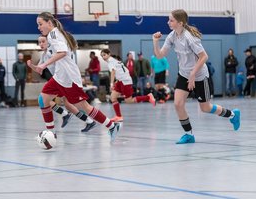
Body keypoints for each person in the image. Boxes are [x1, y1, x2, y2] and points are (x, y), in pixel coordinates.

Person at [152, 9, 240, 144]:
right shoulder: (172, 36)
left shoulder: (189, 37)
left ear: (180, 23)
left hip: (199, 76)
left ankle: (232, 115)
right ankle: (188, 134)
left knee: (205, 108)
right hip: (183, 74)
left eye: (171, 20)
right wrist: (155, 41)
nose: (168, 22)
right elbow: (159, 55)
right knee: (178, 104)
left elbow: (204, 56)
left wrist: (193, 74)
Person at [34, 12, 121, 141]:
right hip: (59, 77)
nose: (39, 27)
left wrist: (44, 64)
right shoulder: (55, 34)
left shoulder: (53, 34)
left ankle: (111, 125)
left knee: (84, 107)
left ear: (49, 23)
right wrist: (40, 66)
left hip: (69, 78)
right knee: (43, 99)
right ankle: (50, 133)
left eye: (40, 24)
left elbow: (62, 53)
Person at [28, 35, 96, 132]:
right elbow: (39, 70)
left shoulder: (55, 50)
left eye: (43, 41)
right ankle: (87, 121)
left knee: (47, 100)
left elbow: (64, 56)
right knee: (62, 103)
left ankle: (68, 116)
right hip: (59, 81)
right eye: (39, 42)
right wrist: (31, 66)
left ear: (49, 41)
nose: (41, 44)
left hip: (65, 79)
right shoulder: (43, 55)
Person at [100, 49, 156, 122]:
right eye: (102, 56)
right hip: (120, 81)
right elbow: (122, 70)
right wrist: (117, 80)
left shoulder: (110, 61)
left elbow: (113, 72)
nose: (103, 57)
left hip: (125, 81)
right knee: (113, 97)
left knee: (129, 100)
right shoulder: (114, 60)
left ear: (109, 54)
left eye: (104, 55)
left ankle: (148, 97)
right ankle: (119, 116)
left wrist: (111, 84)